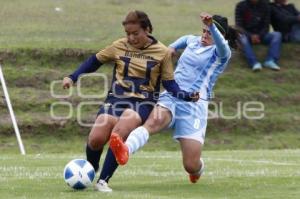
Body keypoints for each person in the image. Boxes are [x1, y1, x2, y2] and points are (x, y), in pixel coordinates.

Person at [62, 10, 198, 192]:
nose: (131, 38)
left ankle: (103, 181)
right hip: (116, 98)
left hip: (142, 102)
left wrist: (186, 96)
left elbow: (169, 84)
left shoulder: (163, 52)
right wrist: (73, 77)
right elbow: (94, 61)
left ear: (147, 29)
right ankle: (90, 169)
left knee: (119, 133)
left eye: (135, 33)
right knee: (96, 139)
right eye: (128, 34)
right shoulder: (119, 46)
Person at [108, 13, 238, 184]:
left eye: (209, 33)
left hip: (194, 105)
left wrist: (212, 27)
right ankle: (126, 150)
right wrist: (171, 48)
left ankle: (199, 169)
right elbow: (185, 39)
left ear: (219, 35)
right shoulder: (194, 41)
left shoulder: (222, 52)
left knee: (190, 165)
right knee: (153, 122)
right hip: (173, 95)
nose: (204, 35)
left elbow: (222, 45)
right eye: (203, 31)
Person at [235, 0, 282, 71]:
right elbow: (239, 26)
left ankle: (270, 60)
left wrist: (259, 36)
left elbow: (266, 26)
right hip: (246, 35)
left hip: (261, 35)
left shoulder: (265, 5)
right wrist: (251, 36)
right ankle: (254, 63)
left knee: (277, 35)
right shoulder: (240, 6)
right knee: (241, 37)